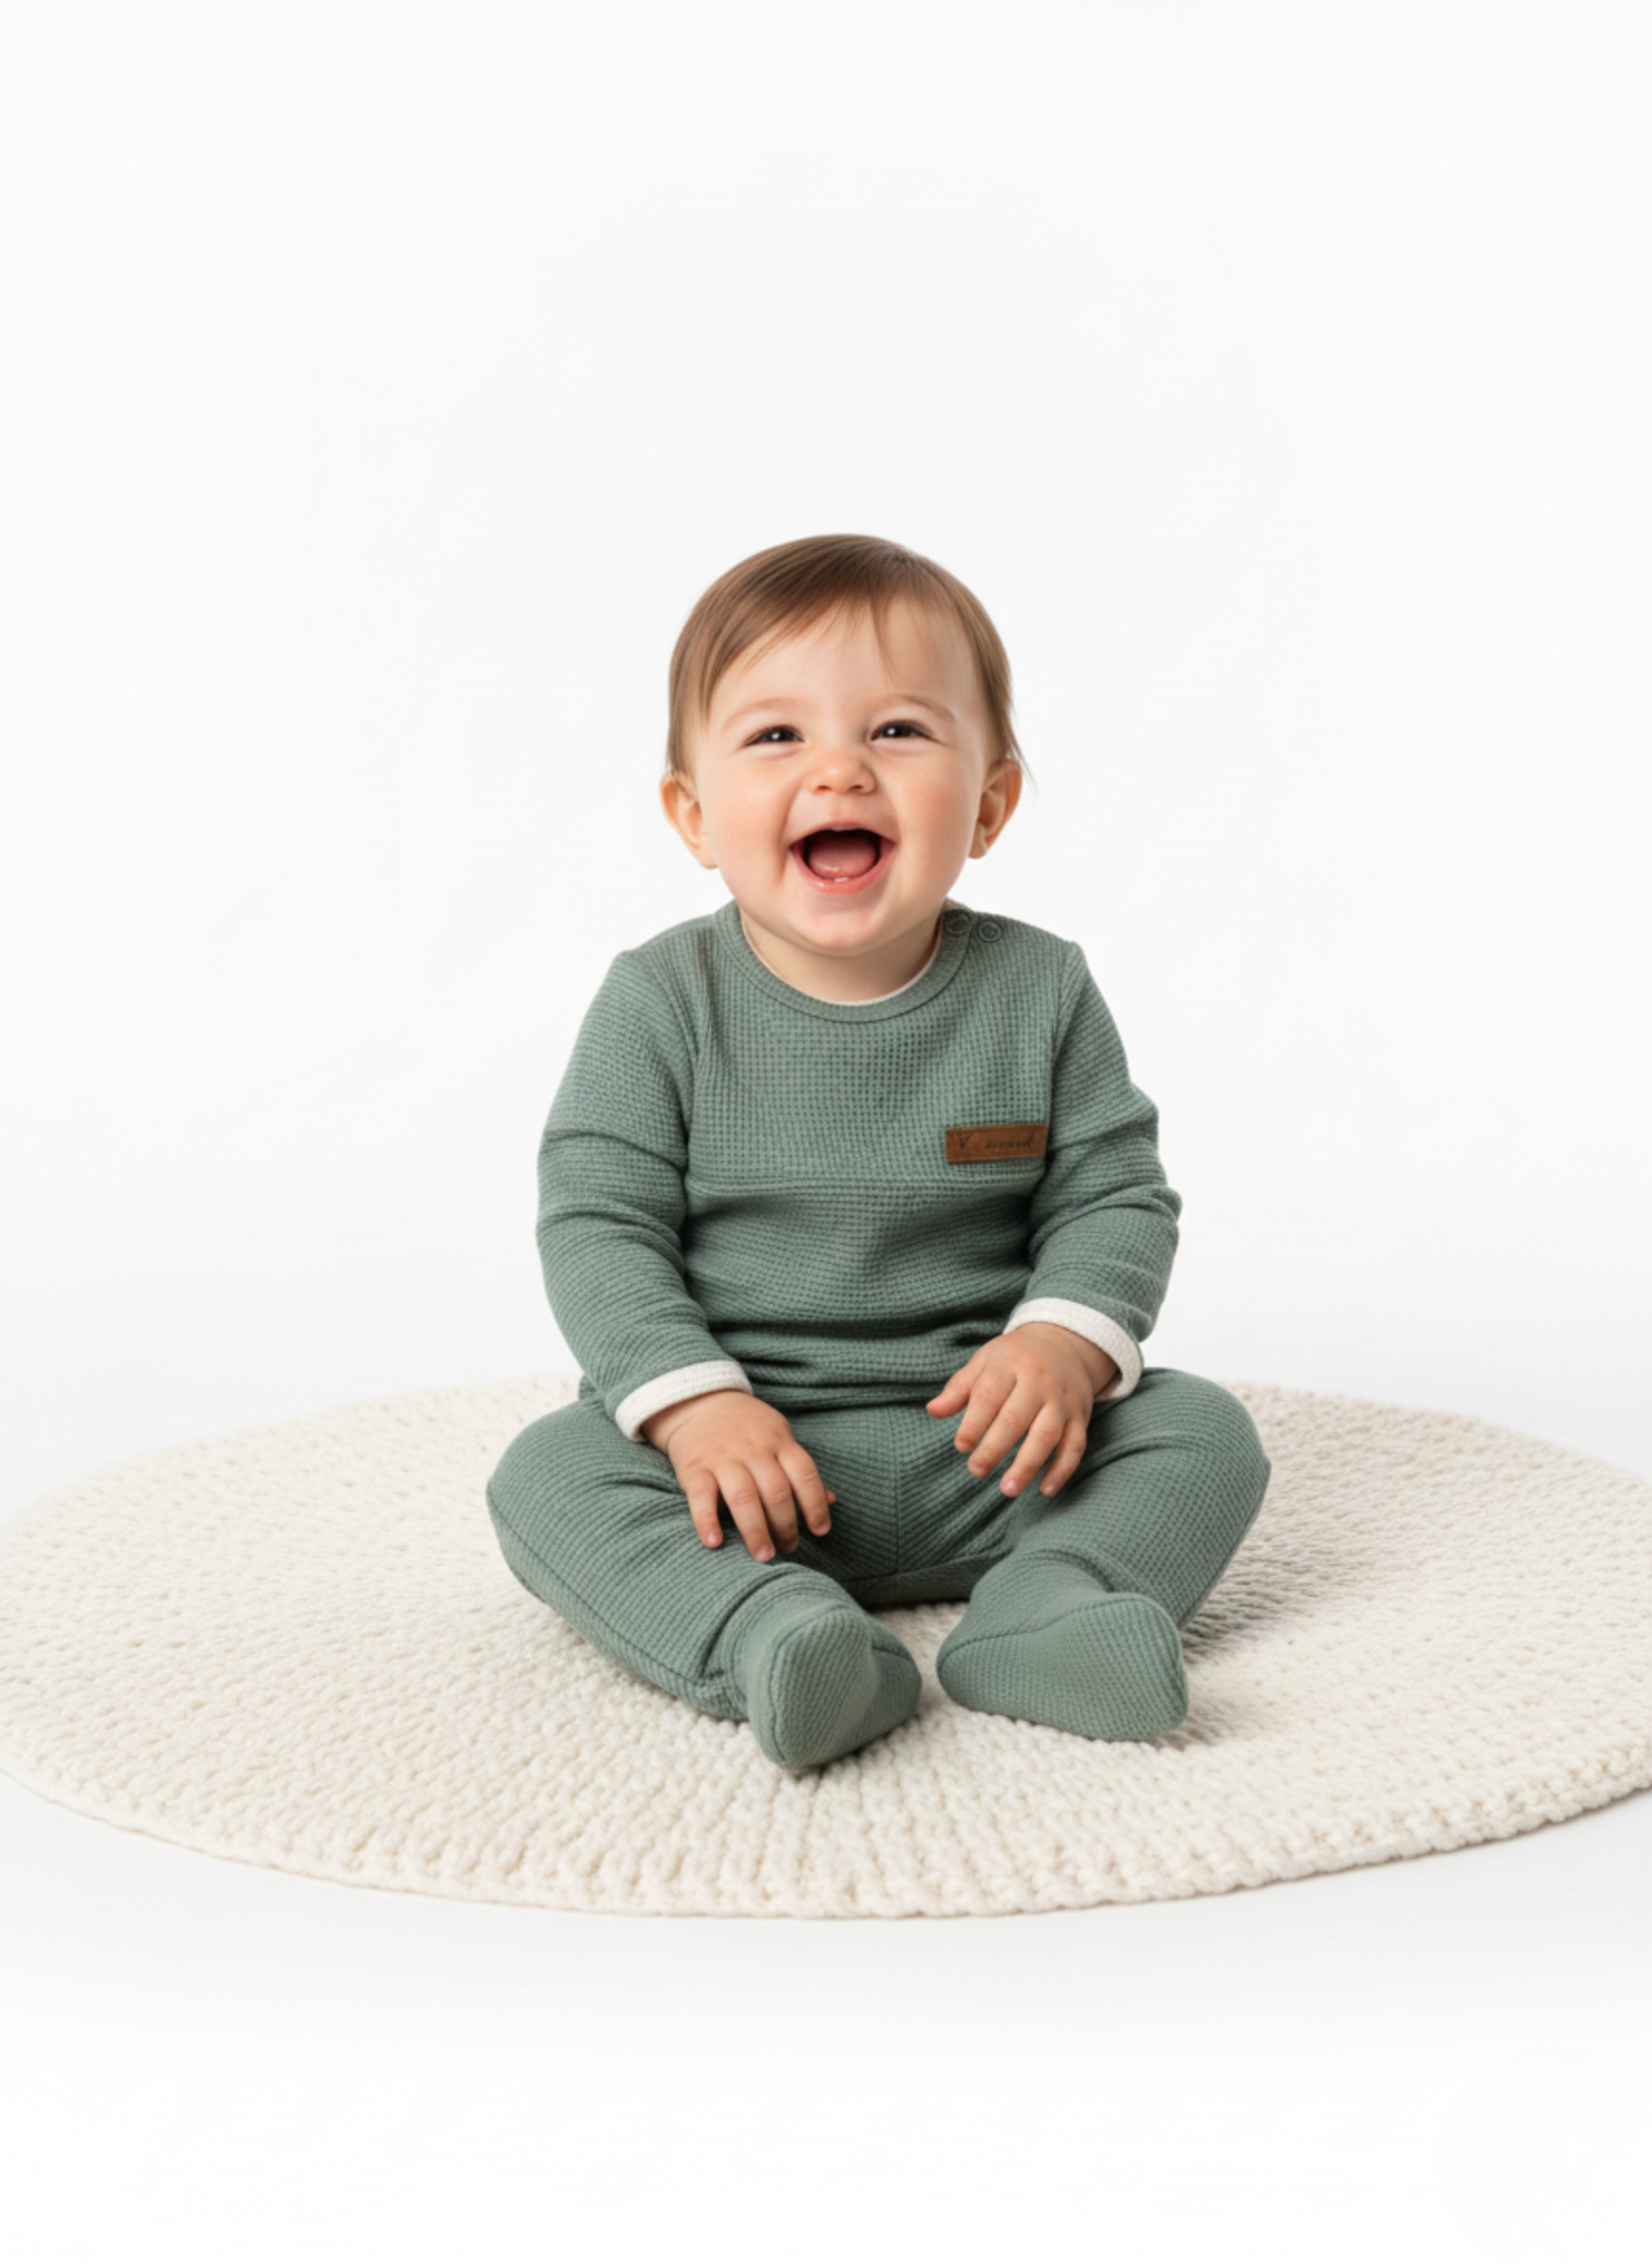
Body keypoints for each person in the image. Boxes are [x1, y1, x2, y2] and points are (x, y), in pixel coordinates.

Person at [486, 533, 1272, 1771]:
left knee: (1200, 1432)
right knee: (549, 1474)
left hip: (993, 1450)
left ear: (991, 804)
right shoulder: (661, 1001)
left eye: (899, 730)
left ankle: (1050, 1605)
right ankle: (776, 1636)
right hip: (747, 1469)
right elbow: (598, 1224)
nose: (840, 768)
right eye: (775, 735)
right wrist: (693, 1408)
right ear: (694, 815)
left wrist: (1062, 1345)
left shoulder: (1039, 990)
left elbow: (1114, 1195)